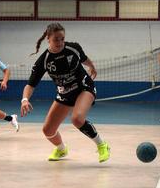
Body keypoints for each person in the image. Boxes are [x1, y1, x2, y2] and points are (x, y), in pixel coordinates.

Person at [20, 23, 110, 162]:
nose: (60, 42)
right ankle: (62, 149)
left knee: (77, 118)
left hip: (84, 87)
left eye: (62, 38)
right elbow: (30, 85)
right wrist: (25, 100)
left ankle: (102, 145)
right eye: (56, 39)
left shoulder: (73, 48)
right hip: (64, 94)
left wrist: (92, 67)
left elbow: (84, 59)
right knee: (48, 130)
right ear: (48, 39)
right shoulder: (44, 60)